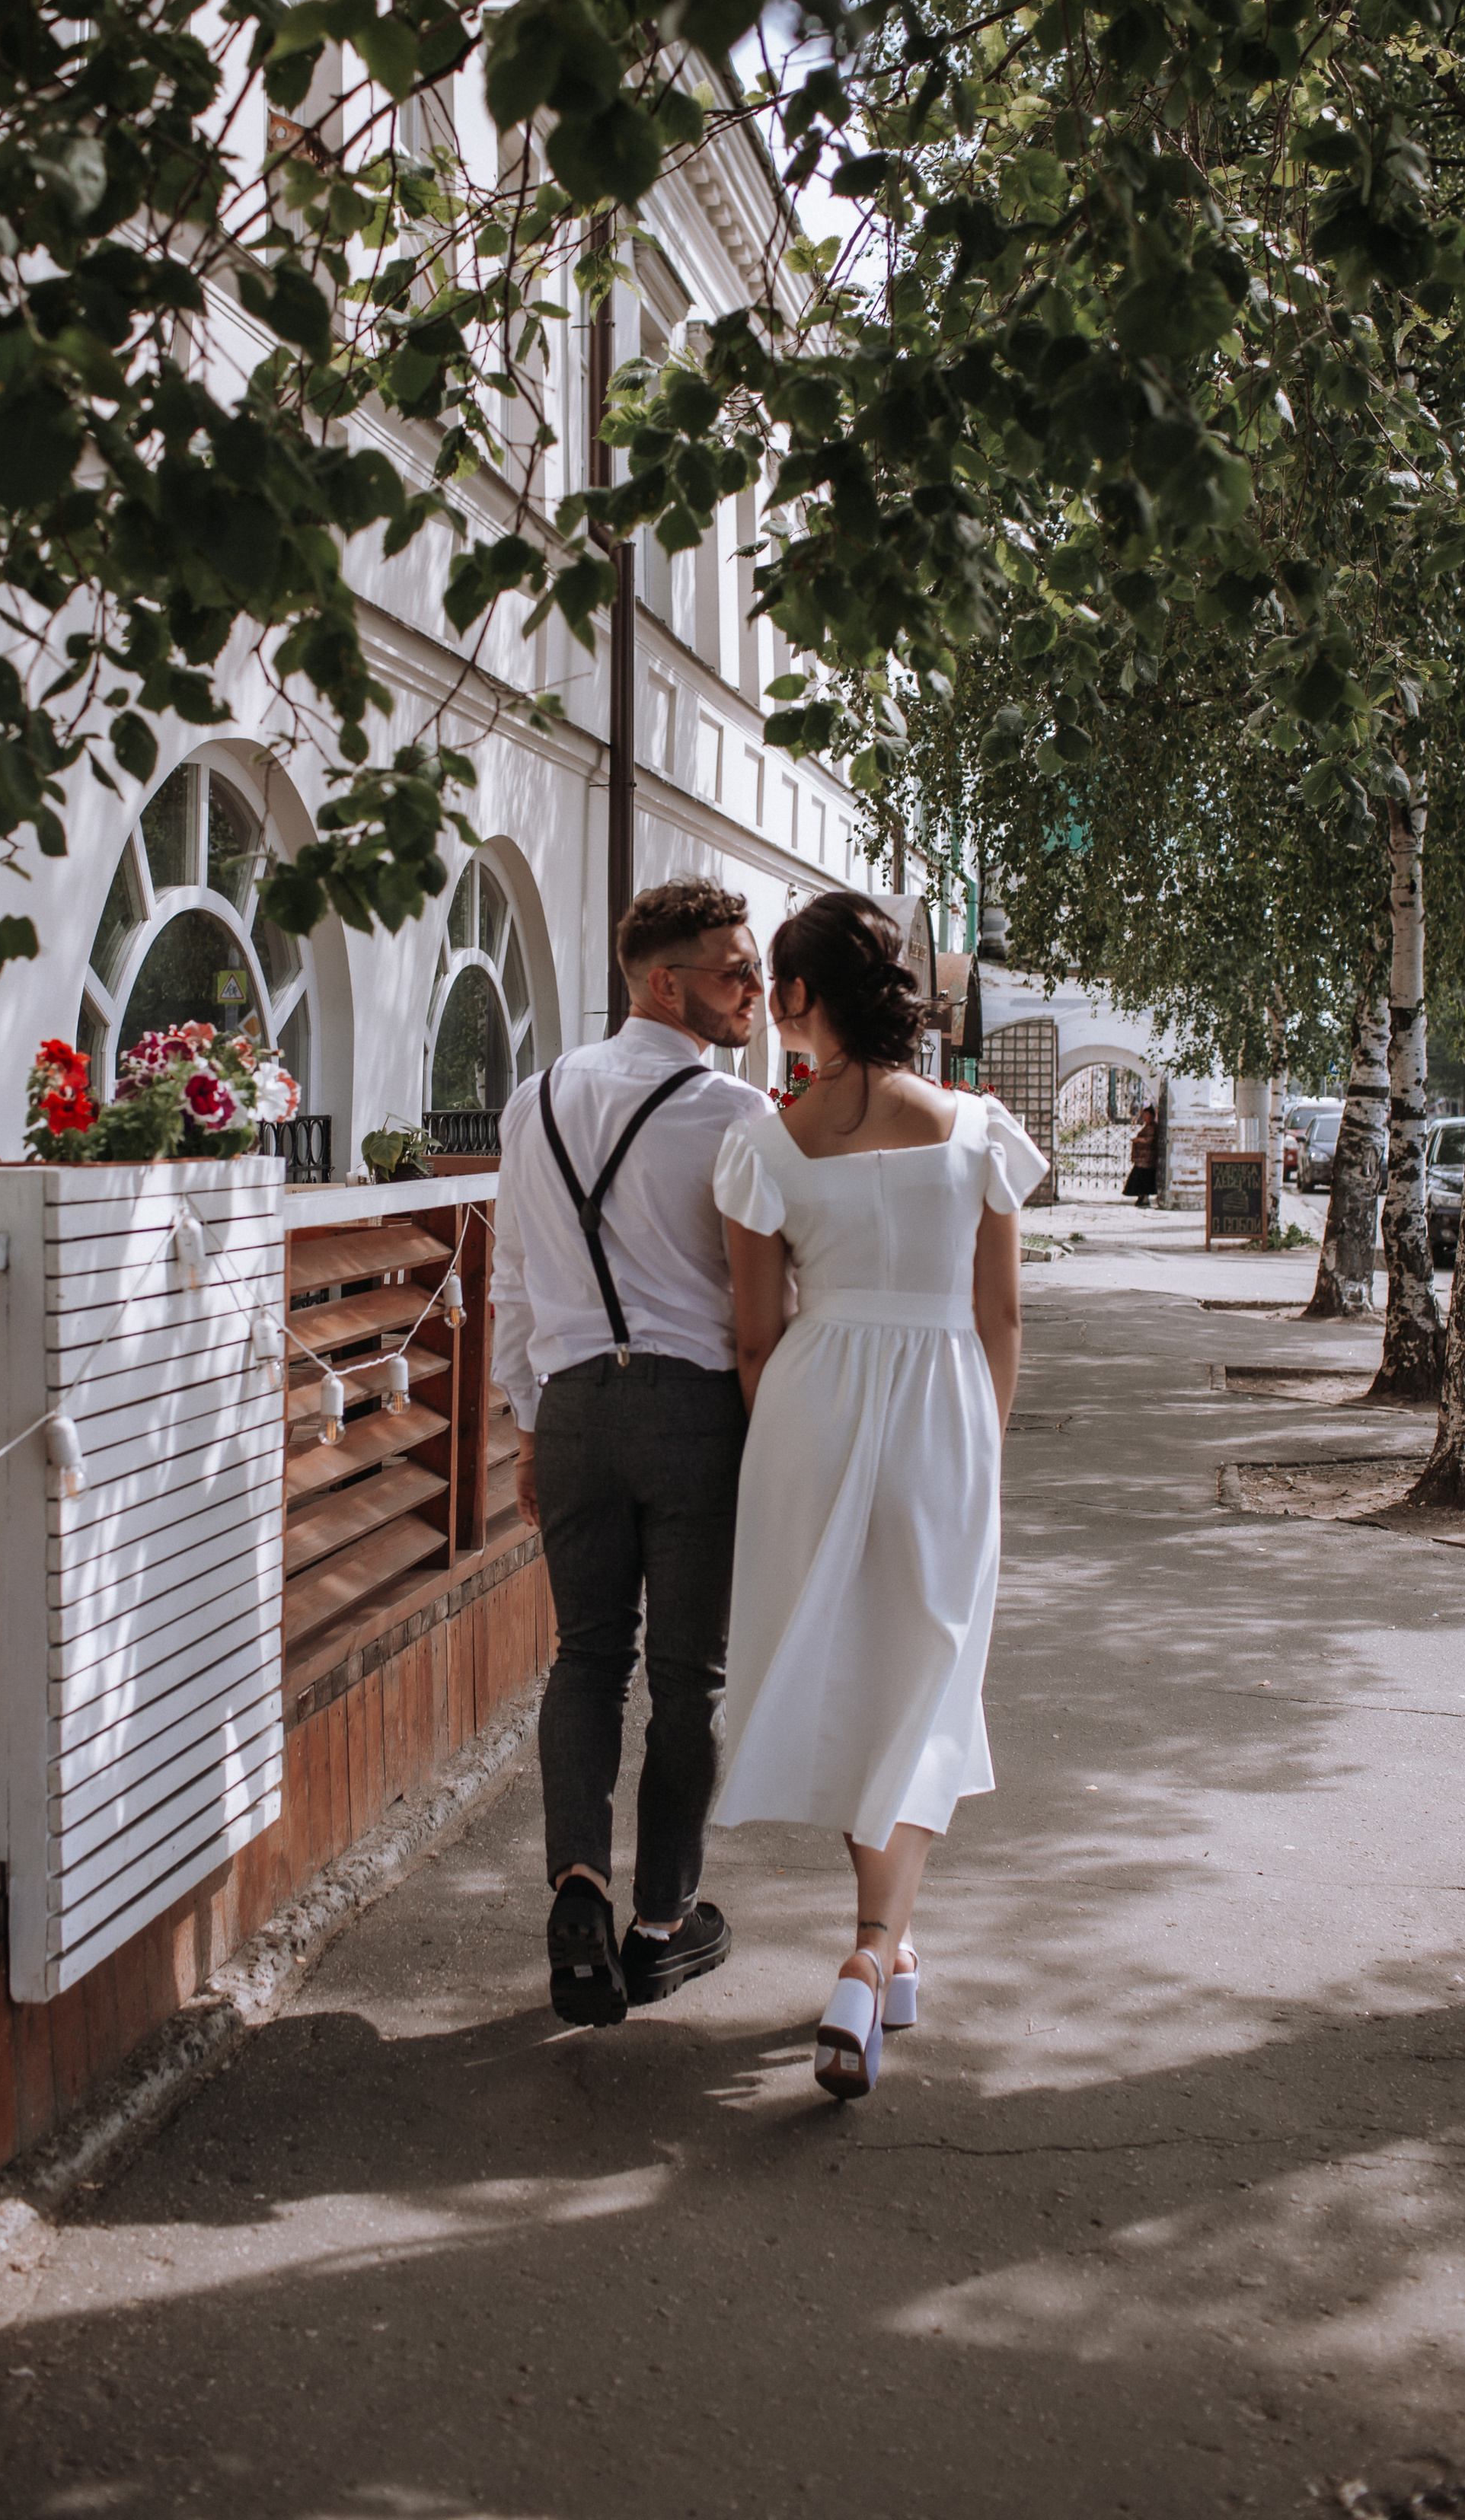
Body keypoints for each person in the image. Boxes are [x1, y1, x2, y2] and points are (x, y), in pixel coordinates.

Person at [711, 891, 1046, 2100]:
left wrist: (798, 1442)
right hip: (944, 1405)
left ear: (799, 998)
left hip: (809, 1405)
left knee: (853, 1670)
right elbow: (1000, 1315)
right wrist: (978, 1447)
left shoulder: (764, 1144)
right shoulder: (976, 1132)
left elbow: (755, 1337)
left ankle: (883, 1945)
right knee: (926, 1670)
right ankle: (874, 1953)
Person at [491, 877, 771, 2026]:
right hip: (690, 1410)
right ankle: (661, 1924)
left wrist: (524, 1422)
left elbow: (510, 1276)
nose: (754, 991)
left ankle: (577, 1884)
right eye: (734, 971)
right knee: (687, 1676)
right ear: (669, 982)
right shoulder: (733, 1115)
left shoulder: (535, 1099)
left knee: (586, 1659)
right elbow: (765, 1295)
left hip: (571, 1410)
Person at [1124, 1100, 1160, 1206]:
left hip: (1147, 1159)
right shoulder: (1148, 1126)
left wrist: (1138, 1140)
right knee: (1140, 1178)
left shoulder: (1152, 1127)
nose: (1144, 1117)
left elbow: (1149, 1139)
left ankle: (1144, 1197)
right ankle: (1141, 1197)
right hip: (1143, 1159)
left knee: (1143, 1178)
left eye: (1146, 1115)